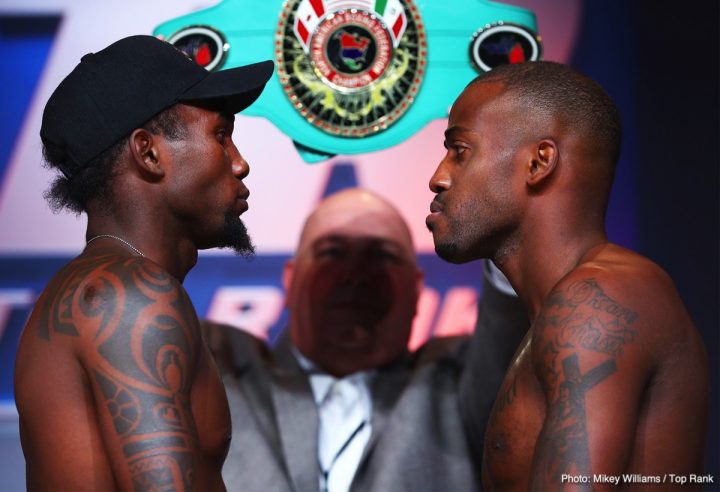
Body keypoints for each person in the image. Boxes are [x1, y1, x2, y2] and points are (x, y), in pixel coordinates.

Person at [426, 61, 709, 490]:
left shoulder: (598, 299)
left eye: (460, 150)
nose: (438, 178)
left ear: (539, 163)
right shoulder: (554, 317)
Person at [13, 35, 273, 491]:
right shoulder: (127, 295)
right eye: (220, 135)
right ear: (149, 152)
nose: (240, 164)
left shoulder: (103, 285)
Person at [204, 187, 530, 492]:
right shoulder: (219, 367)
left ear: (417, 290)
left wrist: (500, 206)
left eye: (382, 256)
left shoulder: (455, 380)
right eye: (332, 252)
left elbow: (504, 334)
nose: (356, 275)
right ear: (290, 280)